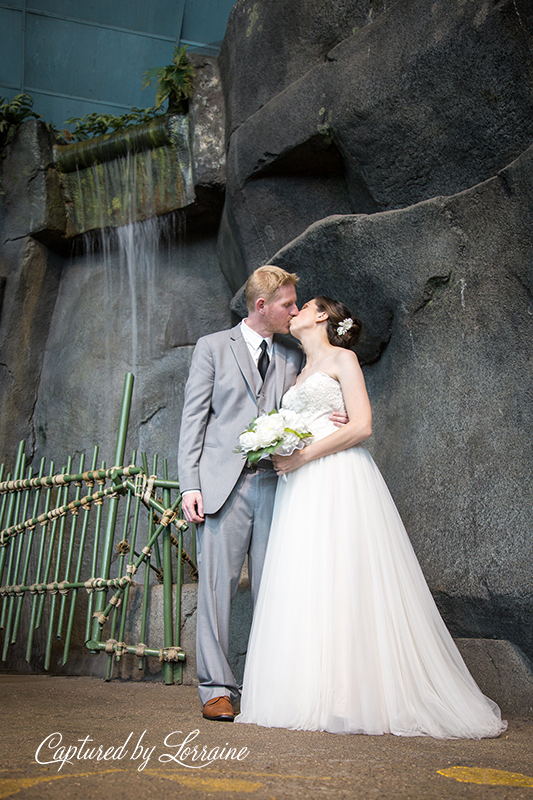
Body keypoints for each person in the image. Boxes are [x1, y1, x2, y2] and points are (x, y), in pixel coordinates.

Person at [236, 296, 507, 738]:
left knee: (348, 577)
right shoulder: (298, 372)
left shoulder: (343, 359)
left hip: (338, 478)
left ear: (323, 316)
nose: (296, 312)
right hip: (301, 490)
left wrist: (302, 456)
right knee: (312, 580)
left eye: (304, 306)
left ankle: (353, 697)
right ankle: (312, 692)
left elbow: (361, 426)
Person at [178, 266, 347, 721]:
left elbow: (306, 407)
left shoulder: (293, 356)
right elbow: (193, 420)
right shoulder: (212, 348)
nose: (294, 310)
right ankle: (216, 690)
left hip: (280, 485)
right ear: (261, 306)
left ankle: (268, 688)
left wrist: (336, 418)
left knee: (278, 590)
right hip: (221, 488)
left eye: (297, 304)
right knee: (216, 590)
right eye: (288, 304)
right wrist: (190, 484)